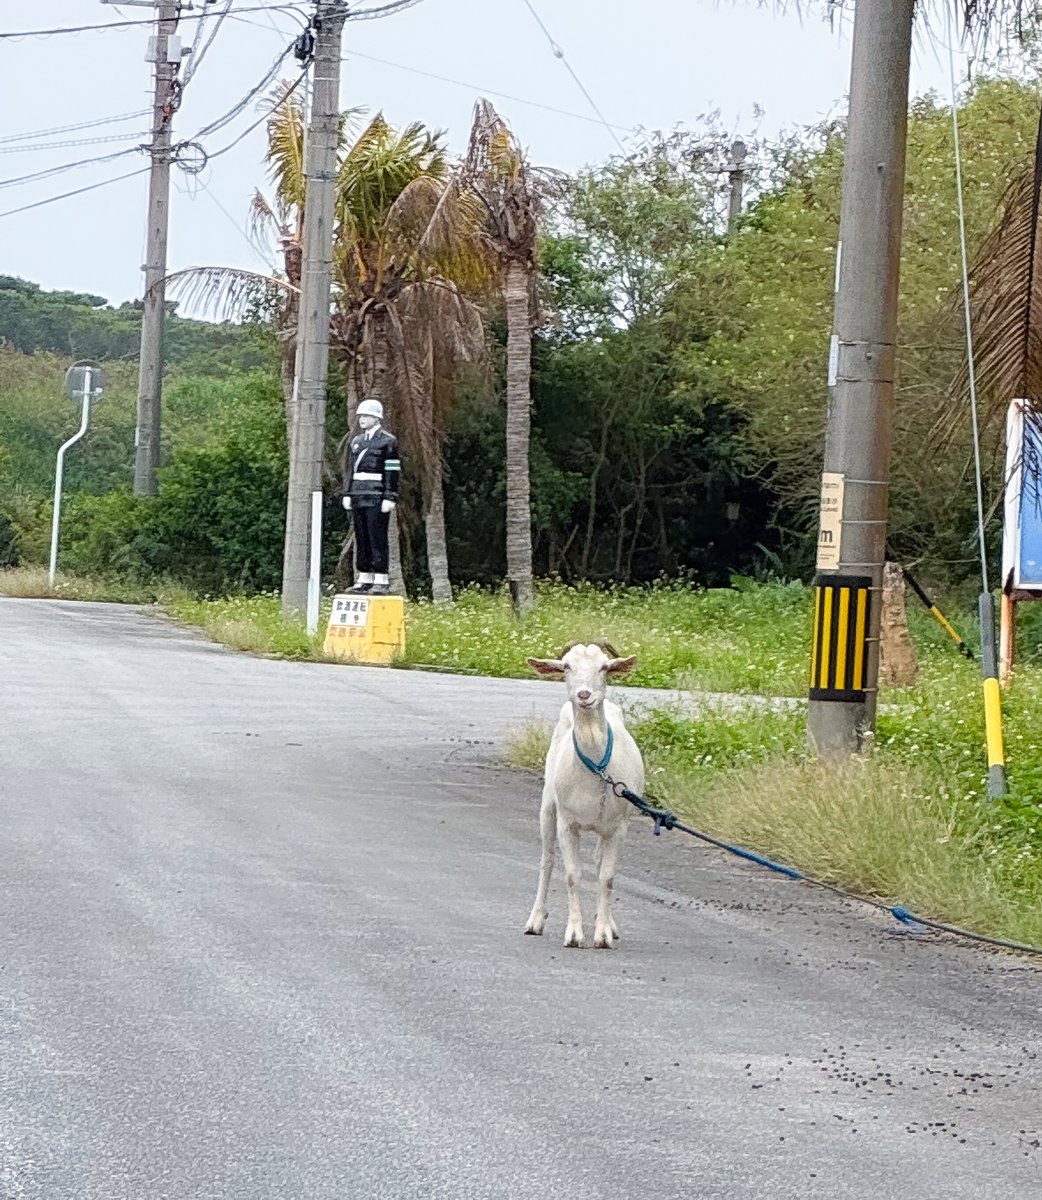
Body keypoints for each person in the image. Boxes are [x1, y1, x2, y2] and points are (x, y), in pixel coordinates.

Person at [341, 398, 400, 595]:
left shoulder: (388, 441)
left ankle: (381, 577)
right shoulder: (356, 442)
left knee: (377, 536)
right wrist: (347, 493)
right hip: (358, 494)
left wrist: (390, 496)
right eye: (361, 416)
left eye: (366, 416)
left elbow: (392, 470)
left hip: (377, 495)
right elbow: (350, 470)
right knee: (362, 536)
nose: (362, 419)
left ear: (376, 418)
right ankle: (364, 576)